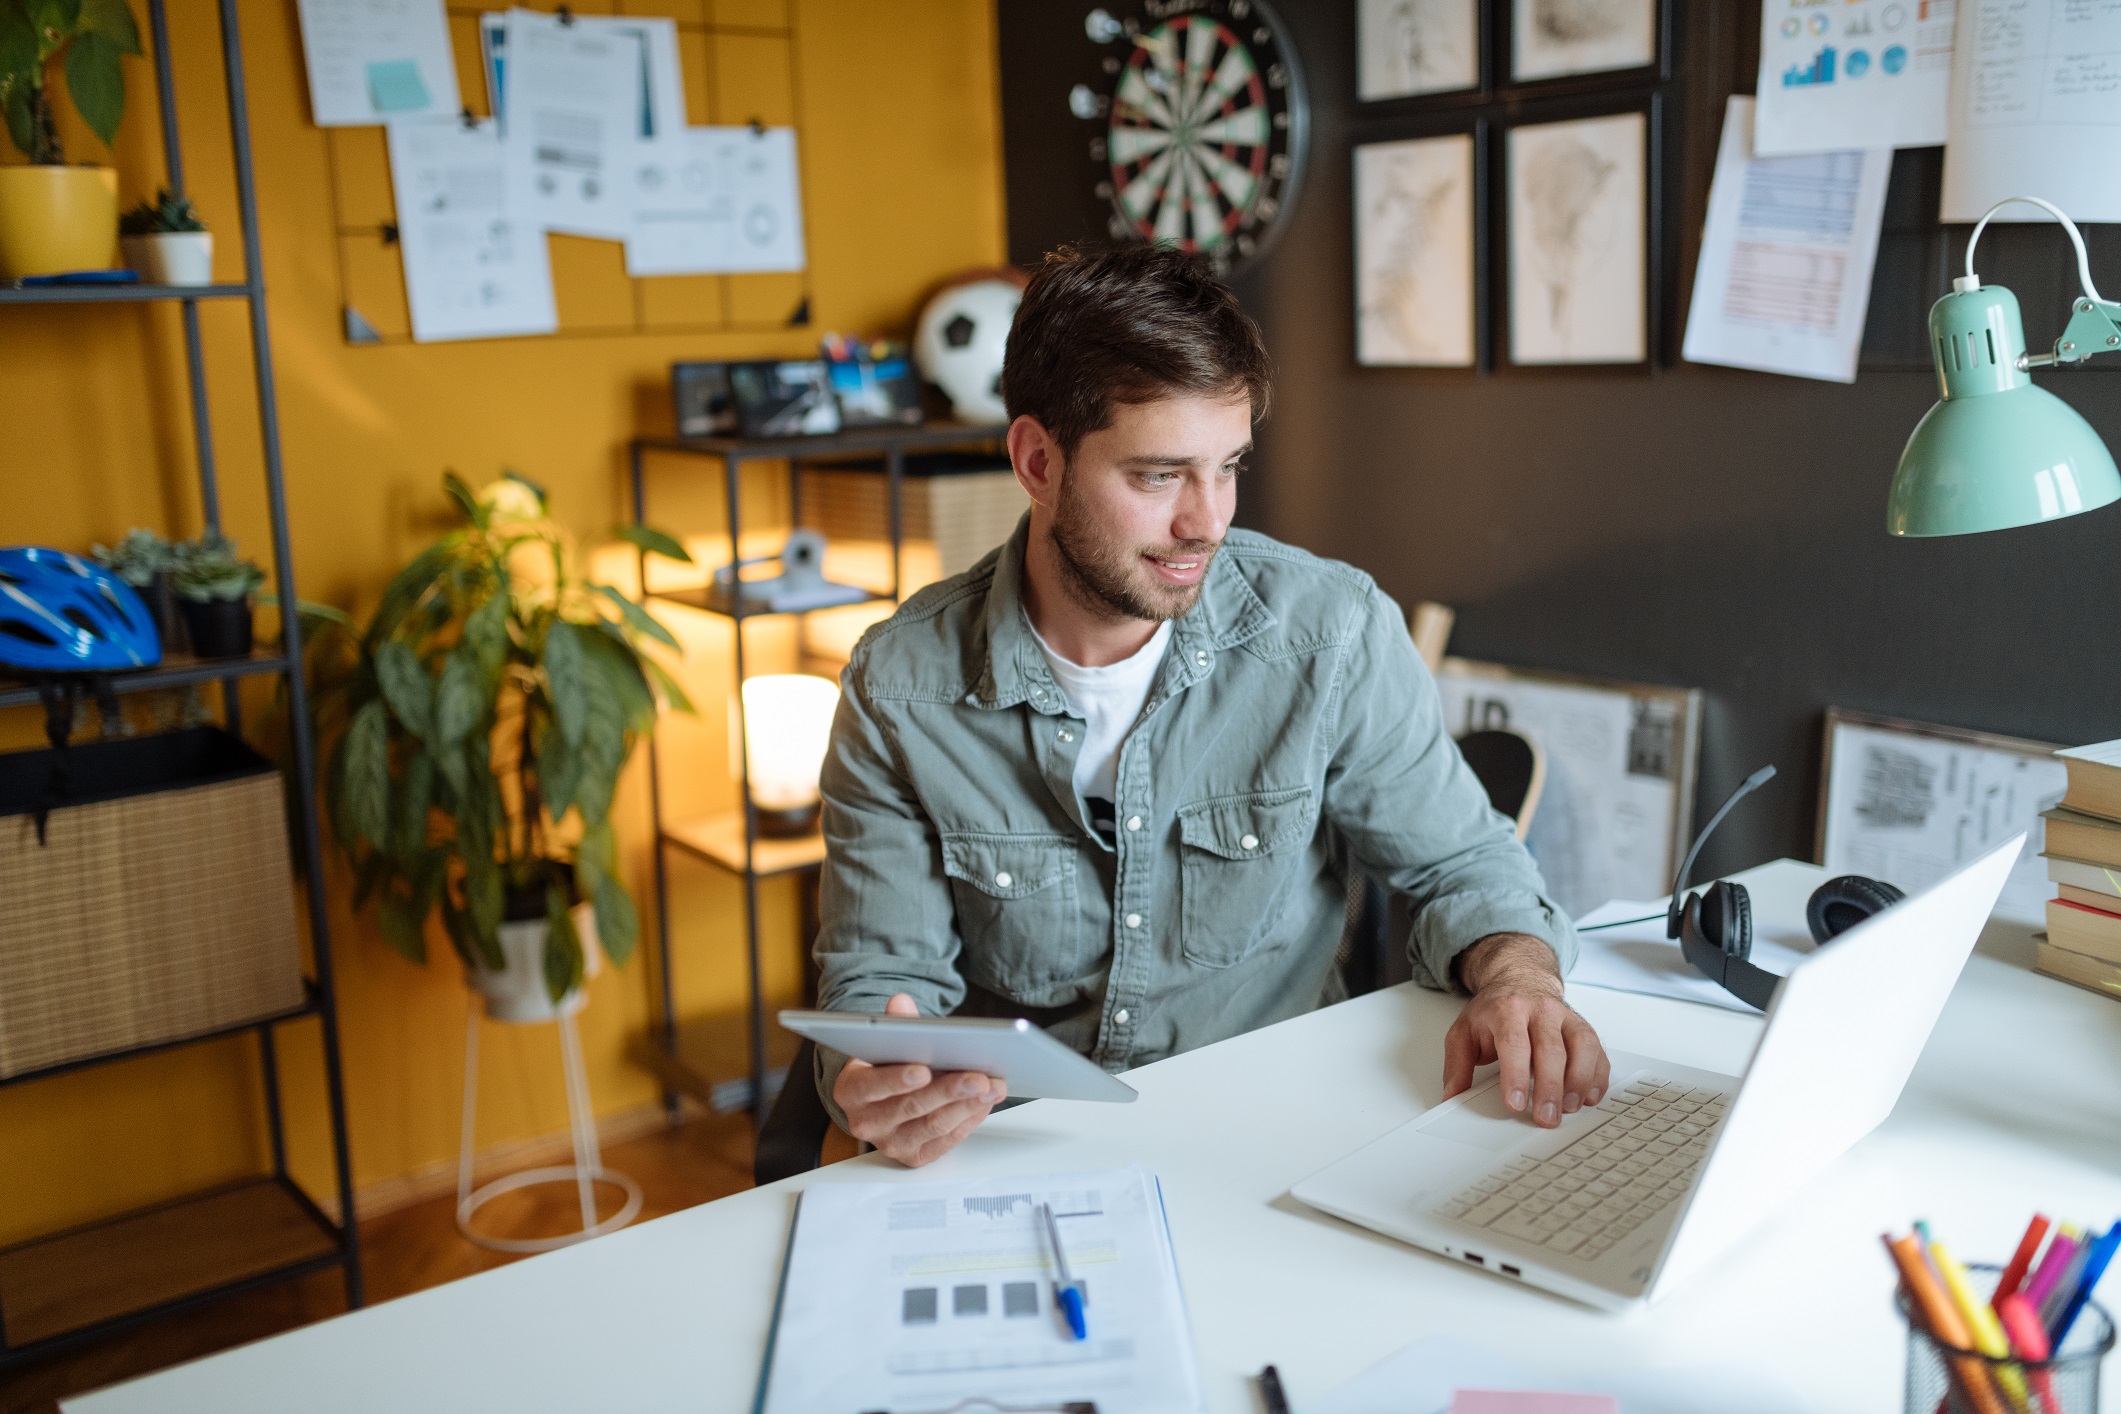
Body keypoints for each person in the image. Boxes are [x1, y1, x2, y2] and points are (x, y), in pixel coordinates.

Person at [812, 243, 1608, 1167]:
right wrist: (874, 1076)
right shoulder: (900, 686)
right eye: (1158, 476)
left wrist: (1517, 977)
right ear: (1036, 460)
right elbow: (880, 976)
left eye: (1226, 465)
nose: (1209, 521)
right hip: (1026, 1152)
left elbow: (1464, 865)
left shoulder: (1328, 634)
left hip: (1272, 1131)